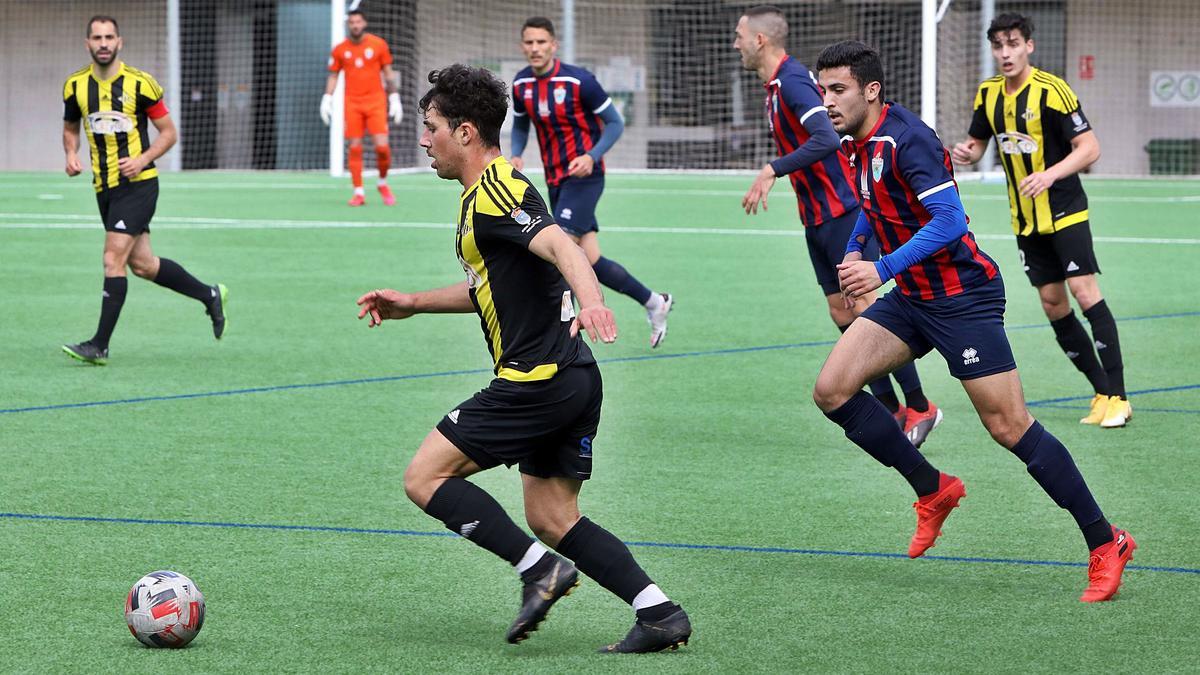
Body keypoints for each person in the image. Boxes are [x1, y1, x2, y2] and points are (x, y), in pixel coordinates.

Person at [355, 64, 691, 653]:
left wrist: (593, 303)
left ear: (464, 133)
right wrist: (414, 302)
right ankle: (658, 612)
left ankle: (539, 570)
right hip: (571, 378)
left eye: (430, 126)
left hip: (536, 381)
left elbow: (562, 243)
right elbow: (494, 286)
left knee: (424, 477)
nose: (423, 139)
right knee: (553, 516)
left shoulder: (497, 191)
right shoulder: (484, 194)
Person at [812, 40, 1135, 601]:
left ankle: (1107, 541)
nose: (827, 101)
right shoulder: (855, 141)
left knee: (1009, 428)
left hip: (963, 297)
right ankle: (932, 488)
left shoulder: (908, 139)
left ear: (871, 90)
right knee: (832, 390)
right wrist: (856, 248)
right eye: (823, 90)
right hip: (912, 298)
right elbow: (872, 202)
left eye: (837, 90)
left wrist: (881, 267)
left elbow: (951, 220)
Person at [734, 5, 942, 445]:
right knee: (840, 310)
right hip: (816, 216)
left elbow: (827, 138)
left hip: (842, 210)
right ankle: (889, 409)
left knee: (864, 307)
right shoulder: (775, 86)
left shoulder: (793, 83)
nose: (734, 44)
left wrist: (773, 169)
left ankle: (922, 407)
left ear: (759, 41)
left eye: (739, 36)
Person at [951, 13, 1130, 428]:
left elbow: (1090, 147)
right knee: (1053, 304)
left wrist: (1050, 174)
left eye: (1013, 44)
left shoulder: (1053, 91)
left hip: (1065, 209)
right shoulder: (989, 93)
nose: (1005, 53)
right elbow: (979, 144)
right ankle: (1100, 390)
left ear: (1029, 46)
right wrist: (967, 153)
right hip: (1025, 219)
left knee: (1085, 293)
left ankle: (1119, 396)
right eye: (998, 45)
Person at [61, 15, 226, 366]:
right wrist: (70, 153)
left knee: (112, 259)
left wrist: (143, 159)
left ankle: (99, 345)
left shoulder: (141, 84)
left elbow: (169, 133)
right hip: (103, 187)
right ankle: (210, 295)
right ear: (87, 43)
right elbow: (70, 127)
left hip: (138, 185)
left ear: (120, 41)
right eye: (97, 38)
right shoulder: (75, 86)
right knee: (144, 265)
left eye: (109, 37)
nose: (103, 43)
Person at [509, 17, 674, 349]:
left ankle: (556, 333)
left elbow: (614, 123)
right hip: (556, 181)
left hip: (585, 178)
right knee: (591, 260)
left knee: (559, 251)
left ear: (554, 45)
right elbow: (521, 125)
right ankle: (655, 302)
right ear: (522, 46)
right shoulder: (521, 84)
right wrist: (515, 154)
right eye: (529, 42)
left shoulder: (578, 80)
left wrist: (591, 156)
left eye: (541, 42)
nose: (535, 48)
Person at [321, 9, 403, 207]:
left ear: (364, 23)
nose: (355, 25)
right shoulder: (340, 49)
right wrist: (327, 97)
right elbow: (333, 75)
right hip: (352, 103)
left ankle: (382, 183)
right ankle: (358, 192)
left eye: (358, 21)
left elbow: (388, 73)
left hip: (376, 101)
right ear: (348, 25)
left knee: (382, 148)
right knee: (355, 147)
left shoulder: (378, 44)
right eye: (352, 22)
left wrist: (394, 97)